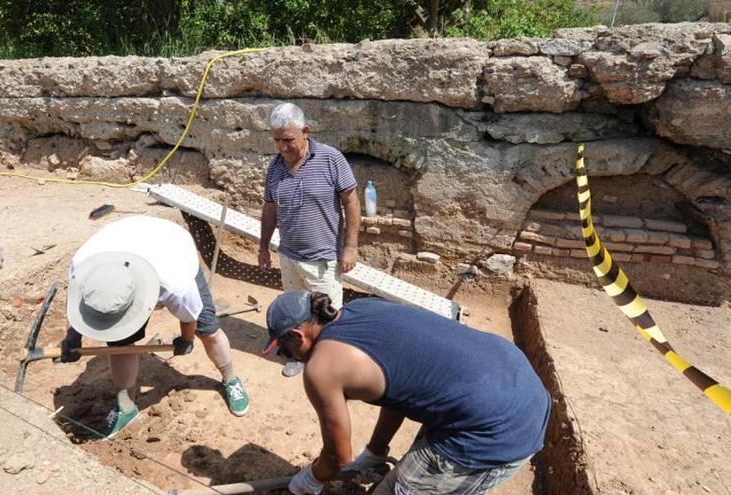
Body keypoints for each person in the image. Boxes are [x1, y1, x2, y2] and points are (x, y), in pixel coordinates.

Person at [261, 291, 551, 495]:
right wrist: (375, 452)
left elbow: (338, 458)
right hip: (516, 382)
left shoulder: (321, 368)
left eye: (285, 351)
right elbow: (399, 390)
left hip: (497, 433)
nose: (291, 357)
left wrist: (310, 480)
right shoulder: (364, 308)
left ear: (298, 336)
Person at [58, 215, 250, 439]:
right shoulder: (82, 266)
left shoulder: (175, 282)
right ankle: (126, 407)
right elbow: (78, 304)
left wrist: (186, 340)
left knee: (208, 329)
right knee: (120, 344)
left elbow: (190, 318)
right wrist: (73, 335)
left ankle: (230, 379)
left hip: (170, 243)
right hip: (122, 240)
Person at [258, 102, 361, 377]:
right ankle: (300, 356)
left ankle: (333, 365)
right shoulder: (275, 166)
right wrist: (263, 247)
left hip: (322, 258)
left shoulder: (330, 159)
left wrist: (350, 247)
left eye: (288, 140)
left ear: (305, 131)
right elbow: (270, 208)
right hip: (288, 255)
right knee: (296, 313)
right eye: (277, 140)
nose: (282, 147)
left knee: (329, 316)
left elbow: (351, 201)